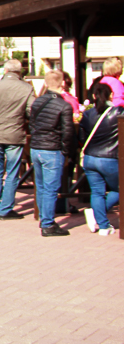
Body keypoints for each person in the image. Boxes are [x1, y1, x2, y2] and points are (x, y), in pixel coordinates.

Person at [0, 59, 35, 220]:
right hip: (15, 134)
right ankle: (6, 208)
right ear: (19, 72)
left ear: (6, 71)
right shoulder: (27, 88)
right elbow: (31, 111)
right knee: (12, 172)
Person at [29, 70, 74, 237]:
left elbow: (32, 124)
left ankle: (44, 218)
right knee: (50, 189)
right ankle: (47, 224)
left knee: (41, 186)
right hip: (52, 149)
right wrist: (65, 151)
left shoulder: (37, 102)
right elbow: (68, 132)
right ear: (62, 83)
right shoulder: (64, 105)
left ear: (46, 83)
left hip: (36, 147)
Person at [80, 83, 121, 236]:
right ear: (111, 95)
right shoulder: (118, 112)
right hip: (110, 158)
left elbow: (81, 137)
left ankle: (103, 226)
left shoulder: (87, 114)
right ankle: (97, 216)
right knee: (119, 189)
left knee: (97, 192)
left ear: (93, 96)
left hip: (90, 157)